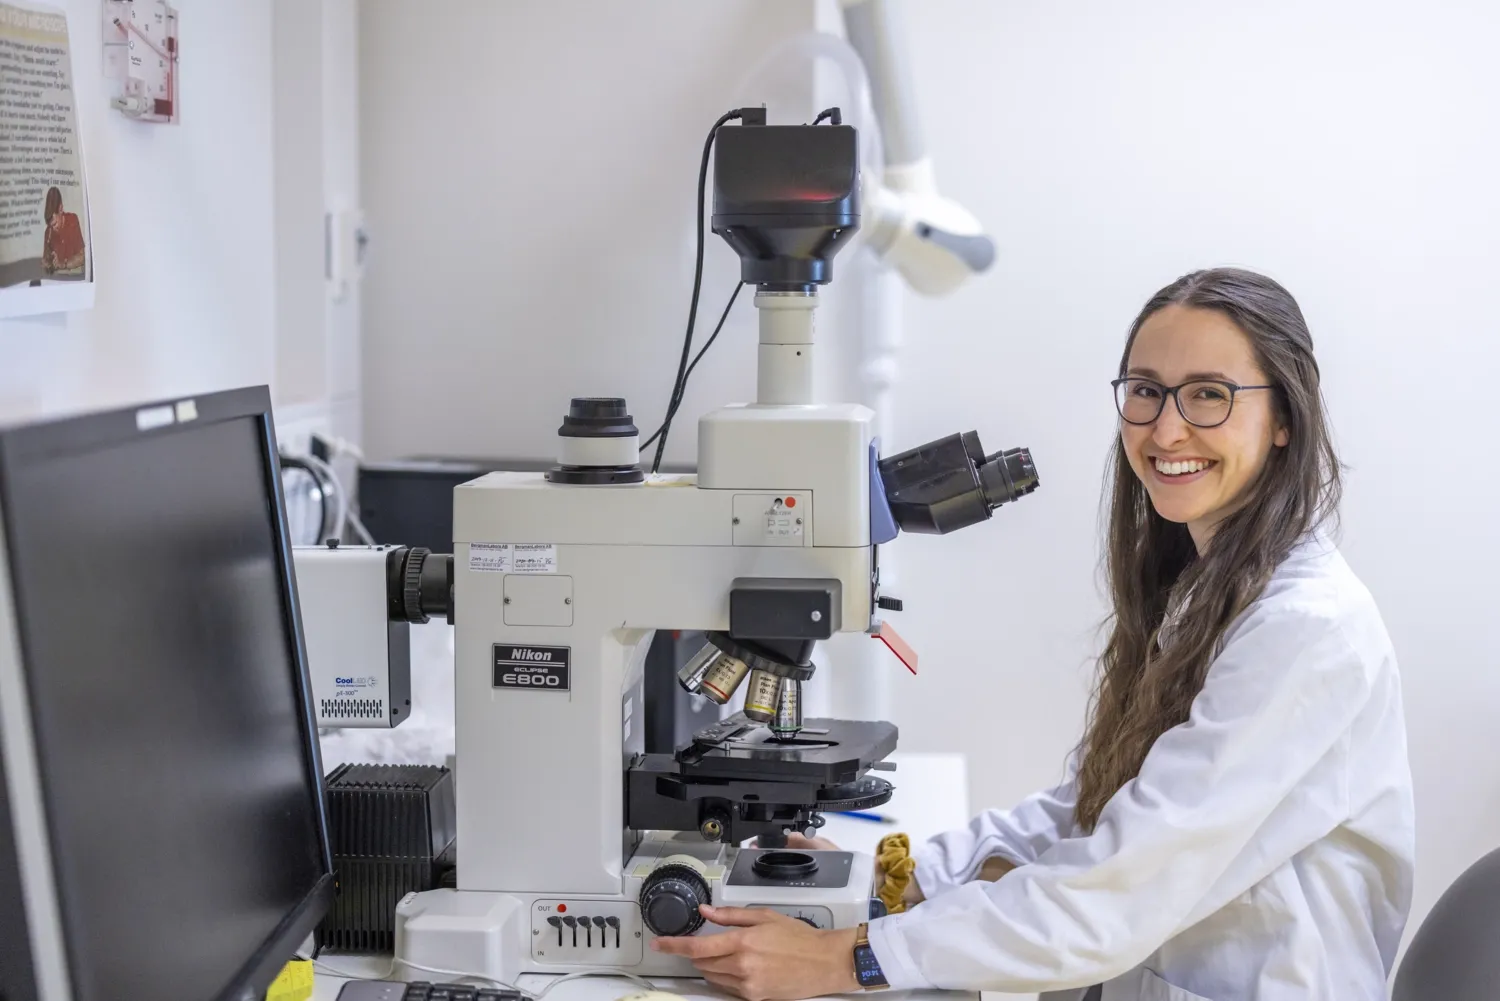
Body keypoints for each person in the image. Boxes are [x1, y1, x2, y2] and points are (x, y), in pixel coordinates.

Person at [653, 268, 1415, 1000]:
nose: (1166, 427)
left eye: (1209, 395)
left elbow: (1116, 890)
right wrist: (899, 876)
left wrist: (848, 956)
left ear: (1284, 419)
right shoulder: (1205, 591)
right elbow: (1093, 807)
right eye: (1146, 391)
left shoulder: (1303, 630)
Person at [41, 186, 86, 274]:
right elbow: (46, 262)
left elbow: (82, 257)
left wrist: (63, 264)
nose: (53, 228)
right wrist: (47, 263)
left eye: (55, 224)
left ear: (61, 209)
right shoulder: (48, 231)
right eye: (50, 225)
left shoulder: (72, 220)